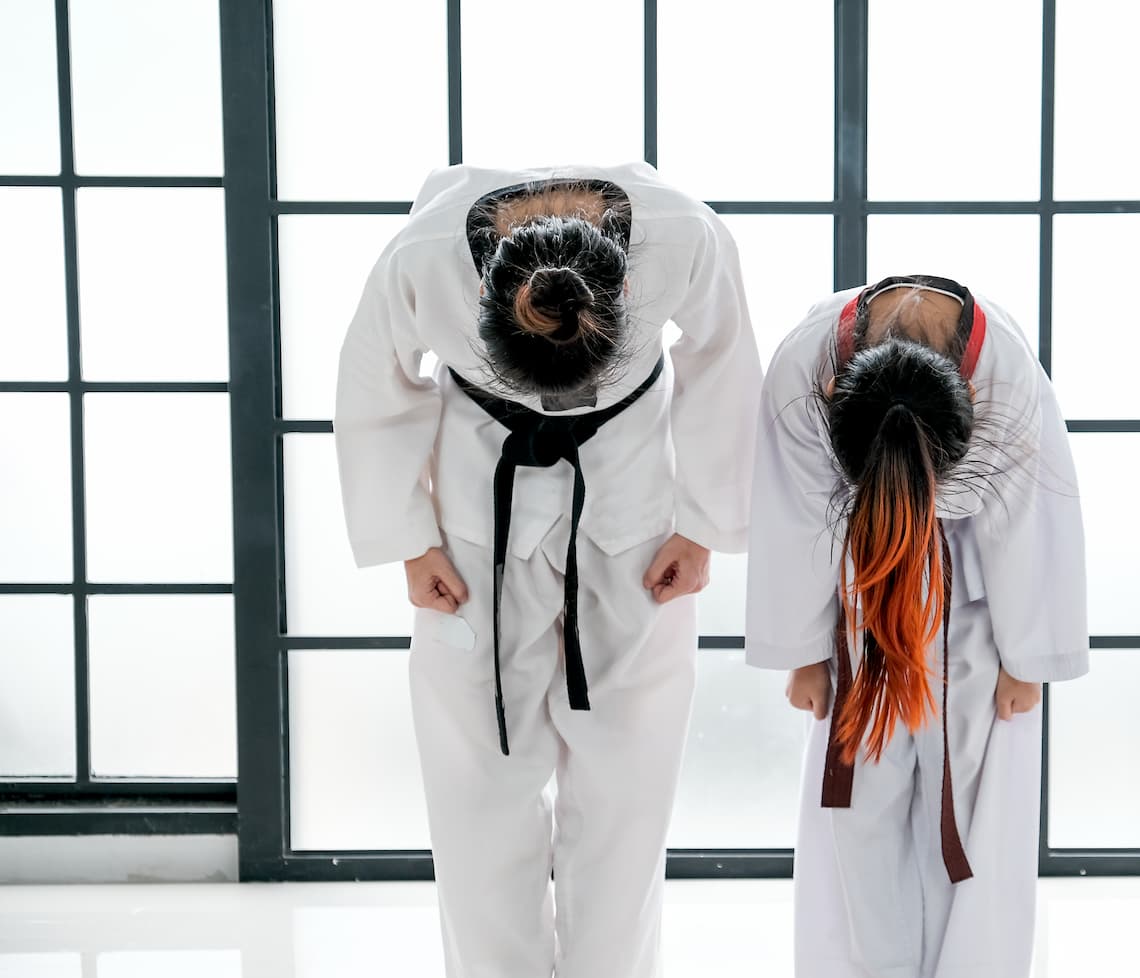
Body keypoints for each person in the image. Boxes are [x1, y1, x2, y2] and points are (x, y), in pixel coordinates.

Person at [334, 162, 761, 978]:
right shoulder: (421, 257)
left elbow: (726, 357)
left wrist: (704, 524)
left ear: (625, 292)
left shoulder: (685, 238)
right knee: (475, 784)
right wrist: (410, 537)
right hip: (472, 523)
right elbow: (372, 381)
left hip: (632, 518)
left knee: (628, 780)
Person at [745, 275, 1088, 977]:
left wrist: (1028, 655)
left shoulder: (1004, 373)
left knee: (962, 811)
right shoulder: (805, 366)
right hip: (858, 584)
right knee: (860, 813)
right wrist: (805, 652)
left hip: (971, 599)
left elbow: (1025, 519)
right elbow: (794, 514)